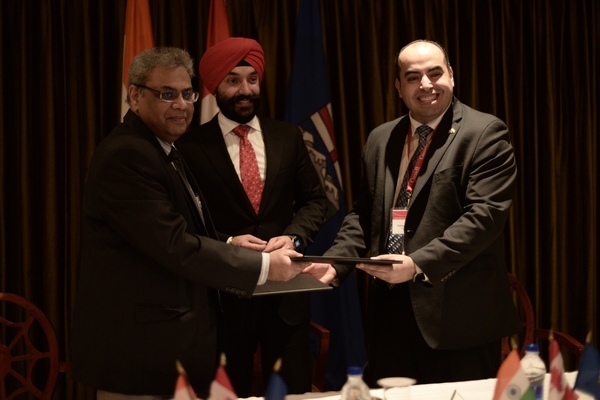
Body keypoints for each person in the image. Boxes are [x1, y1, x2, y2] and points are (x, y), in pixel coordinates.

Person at [71, 47, 311, 400]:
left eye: (187, 94)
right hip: (141, 355)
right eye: (167, 94)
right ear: (135, 96)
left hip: (169, 349)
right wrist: (263, 266)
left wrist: (228, 243)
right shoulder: (128, 154)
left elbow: (178, 231)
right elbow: (174, 244)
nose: (181, 105)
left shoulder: (163, 148)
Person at [304, 39, 521, 386]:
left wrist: (417, 264)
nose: (426, 84)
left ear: (451, 75)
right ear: (398, 86)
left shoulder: (484, 133)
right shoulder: (380, 139)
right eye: (413, 77)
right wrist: (336, 262)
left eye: (435, 73)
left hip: (457, 319)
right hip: (390, 315)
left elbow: (484, 218)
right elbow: (364, 215)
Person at [176, 37, 327, 396]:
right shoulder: (190, 147)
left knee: (292, 392)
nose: (245, 90)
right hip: (225, 301)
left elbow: (315, 201)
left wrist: (294, 237)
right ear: (215, 86)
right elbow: (183, 222)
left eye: (252, 79)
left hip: (286, 299)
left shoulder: (288, 136)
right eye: (233, 80)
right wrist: (227, 242)